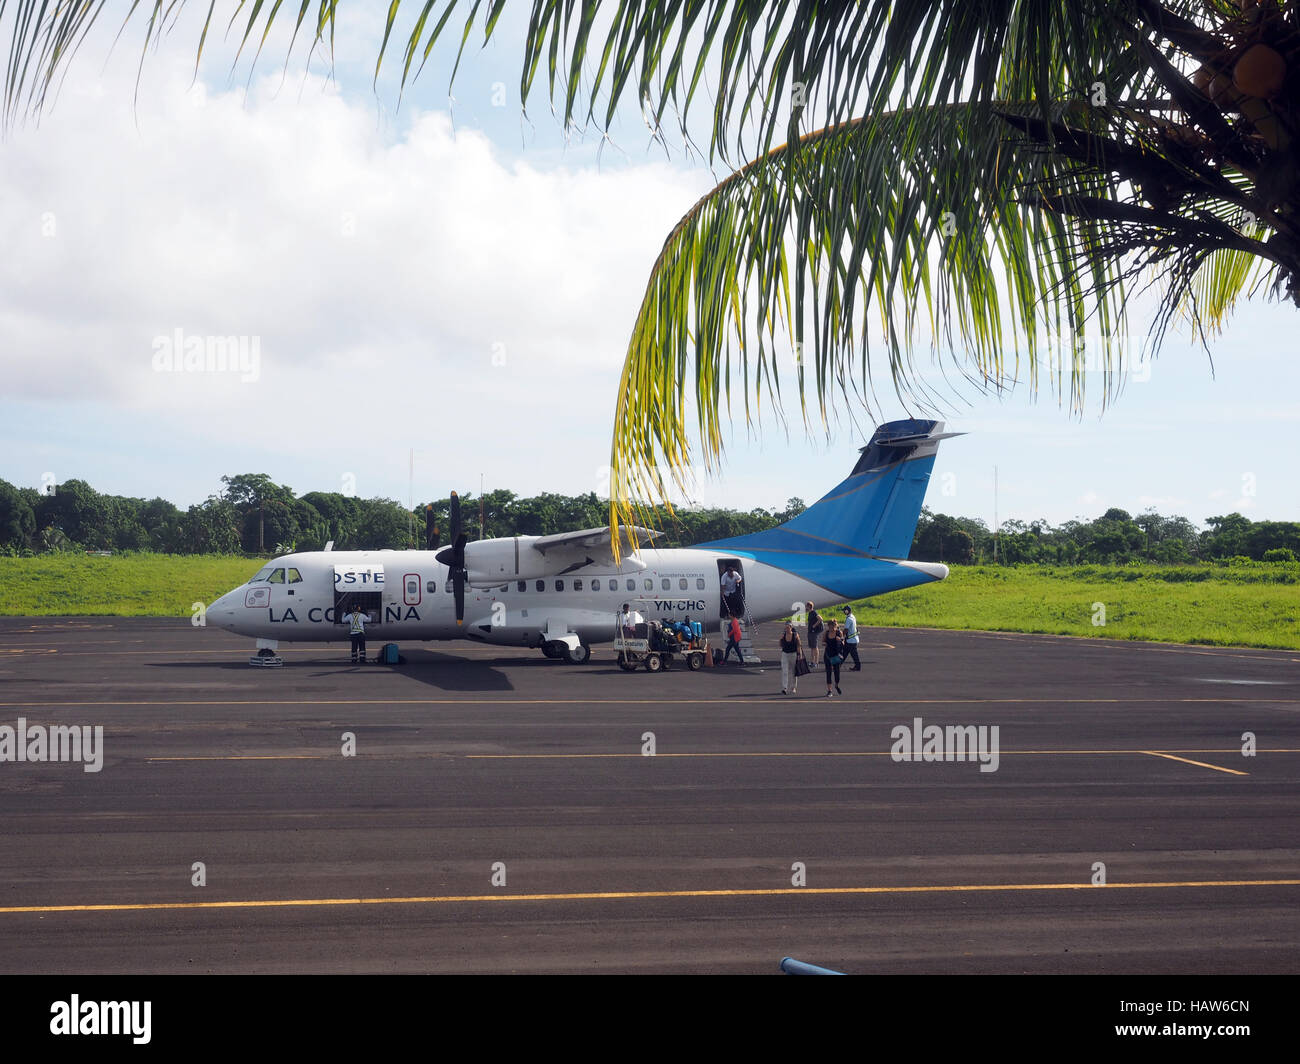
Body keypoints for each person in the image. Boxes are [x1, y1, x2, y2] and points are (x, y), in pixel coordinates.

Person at [822, 620, 846, 697]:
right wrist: (824, 643)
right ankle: (829, 690)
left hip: (836, 655)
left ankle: (836, 685)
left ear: (835, 626)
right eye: (830, 626)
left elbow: (843, 643)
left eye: (833, 626)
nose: (831, 628)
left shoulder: (839, 633)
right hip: (828, 655)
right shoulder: (826, 633)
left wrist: (840, 640)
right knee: (828, 672)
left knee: (837, 673)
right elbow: (822, 642)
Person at [778, 622, 802, 694]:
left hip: (793, 654)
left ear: (791, 628)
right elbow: (780, 645)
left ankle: (793, 687)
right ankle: (784, 688)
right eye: (786, 628)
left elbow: (799, 645)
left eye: (788, 627)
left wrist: (799, 654)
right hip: (785, 654)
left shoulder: (795, 635)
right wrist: (781, 639)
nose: (787, 629)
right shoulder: (783, 635)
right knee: (785, 671)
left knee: (794, 672)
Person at [842, 605, 862, 670]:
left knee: (852, 655)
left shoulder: (848, 619)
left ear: (847, 611)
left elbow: (846, 629)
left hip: (850, 640)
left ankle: (858, 666)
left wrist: (841, 636)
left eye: (844, 610)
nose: (844, 612)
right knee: (844, 653)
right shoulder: (853, 617)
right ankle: (838, 665)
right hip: (852, 639)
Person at [805, 602, 824, 666]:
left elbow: (820, 619)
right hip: (810, 632)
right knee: (812, 647)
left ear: (809, 606)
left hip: (814, 632)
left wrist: (814, 626)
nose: (805, 607)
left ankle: (816, 662)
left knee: (815, 647)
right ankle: (812, 661)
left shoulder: (814, 612)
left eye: (806, 606)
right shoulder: (810, 613)